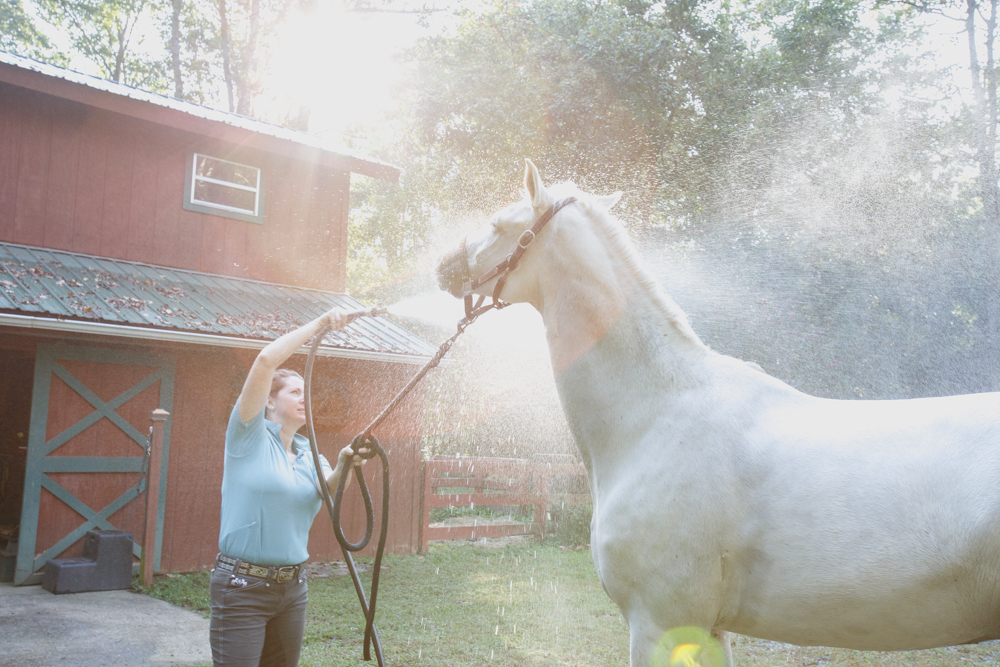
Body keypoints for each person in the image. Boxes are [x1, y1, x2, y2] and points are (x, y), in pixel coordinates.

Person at [210, 306, 366, 667]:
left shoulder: (310, 453)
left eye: (305, 393)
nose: (303, 398)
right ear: (268, 401)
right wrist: (321, 324)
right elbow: (265, 361)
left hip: (293, 589)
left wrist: (344, 462)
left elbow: (327, 491)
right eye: (294, 391)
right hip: (241, 588)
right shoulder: (247, 438)